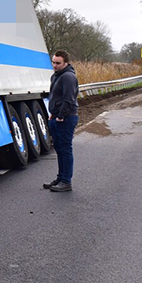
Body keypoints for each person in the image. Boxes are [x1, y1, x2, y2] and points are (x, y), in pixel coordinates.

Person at [43, 49, 79, 193]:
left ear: (65, 63)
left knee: (65, 149)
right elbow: (55, 97)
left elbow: (68, 99)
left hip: (66, 118)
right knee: (59, 149)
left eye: (58, 63)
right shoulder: (55, 76)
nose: (55, 65)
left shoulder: (68, 77)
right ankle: (60, 177)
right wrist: (53, 113)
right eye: (53, 62)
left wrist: (61, 116)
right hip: (56, 116)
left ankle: (66, 181)